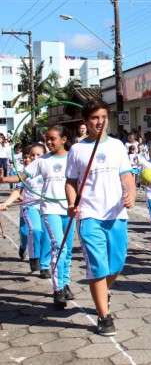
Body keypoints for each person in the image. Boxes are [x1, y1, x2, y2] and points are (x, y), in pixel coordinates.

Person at [65, 100, 136, 336]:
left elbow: (127, 175)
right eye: (95, 117)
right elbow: (71, 182)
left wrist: (131, 194)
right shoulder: (77, 150)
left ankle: (104, 292)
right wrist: (71, 203)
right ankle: (104, 317)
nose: (99, 121)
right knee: (97, 266)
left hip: (116, 214)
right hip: (89, 215)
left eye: (103, 117)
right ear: (86, 121)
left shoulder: (117, 146)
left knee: (116, 264)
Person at [25, 126, 74, 310]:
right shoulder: (42, 161)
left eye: (53, 138)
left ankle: (66, 282)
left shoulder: (73, 157)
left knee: (67, 250)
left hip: (70, 209)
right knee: (58, 247)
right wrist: (5, 180)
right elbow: (24, 175)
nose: (49, 142)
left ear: (64, 139)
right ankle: (58, 289)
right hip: (50, 209)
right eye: (47, 139)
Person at [0, 143, 49, 275]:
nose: (34, 158)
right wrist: (6, 203)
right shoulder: (26, 173)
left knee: (47, 236)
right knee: (31, 231)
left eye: (39, 155)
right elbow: (17, 191)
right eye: (32, 155)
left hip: (47, 208)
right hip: (29, 207)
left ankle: (45, 266)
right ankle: (31, 254)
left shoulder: (49, 171)